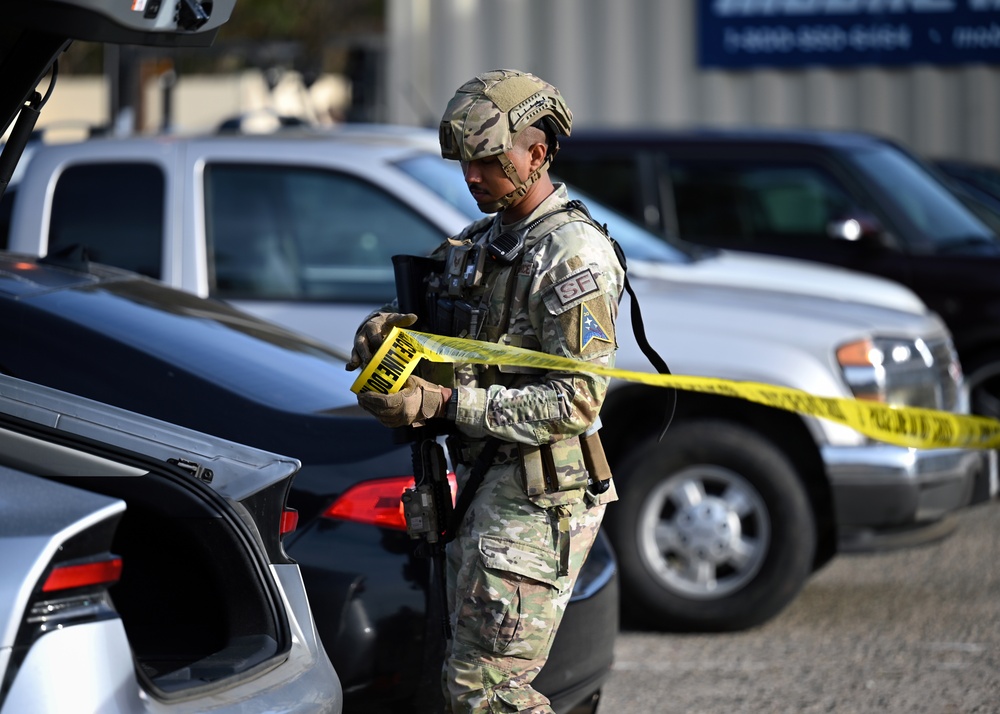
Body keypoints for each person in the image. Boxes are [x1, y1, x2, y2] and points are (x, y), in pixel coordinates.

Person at [349, 68, 623, 713]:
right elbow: (418, 330)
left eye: (490, 161)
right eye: (466, 162)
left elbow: (577, 401)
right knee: (464, 681)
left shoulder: (571, 255)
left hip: (535, 494)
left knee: (488, 693)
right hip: (479, 484)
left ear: (538, 152)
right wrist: (381, 343)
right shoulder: (481, 243)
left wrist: (449, 404)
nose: (473, 176)